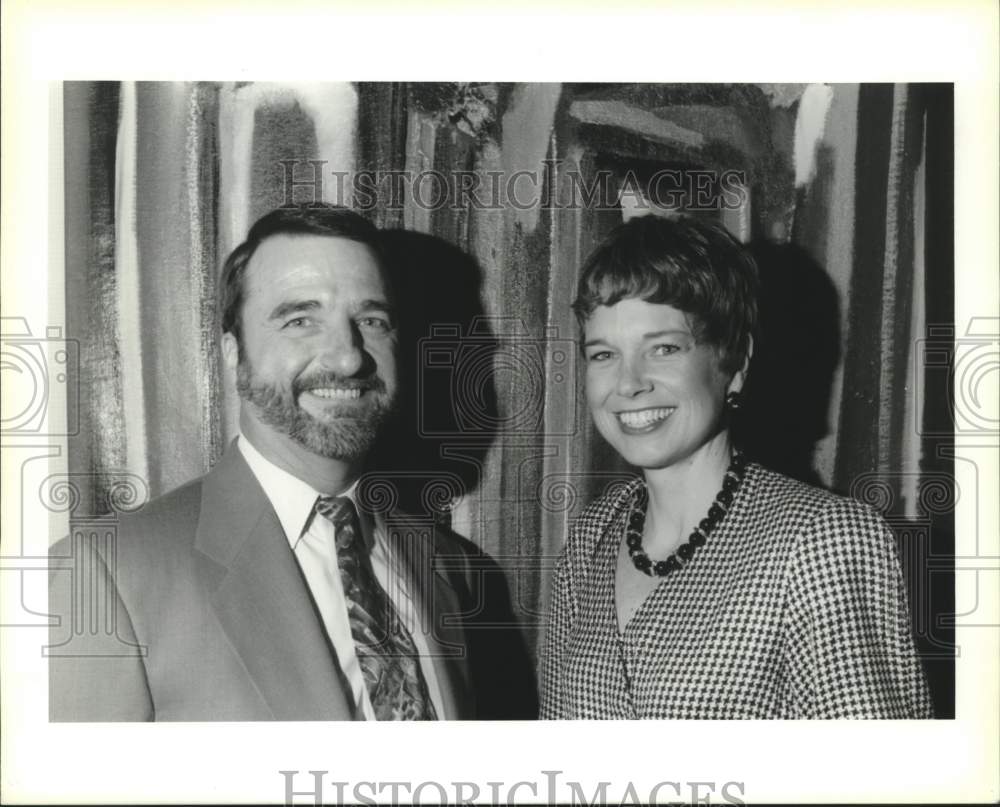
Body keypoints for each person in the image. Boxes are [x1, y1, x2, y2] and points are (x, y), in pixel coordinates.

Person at [49, 203, 534, 721]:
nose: (348, 358)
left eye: (371, 320)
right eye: (301, 319)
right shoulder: (105, 576)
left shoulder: (446, 564)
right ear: (234, 353)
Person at [539, 214, 933, 719]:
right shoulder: (591, 537)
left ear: (735, 364)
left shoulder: (824, 543)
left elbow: (884, 785)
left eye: (664, 348)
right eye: (603, 354)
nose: (628, 383)